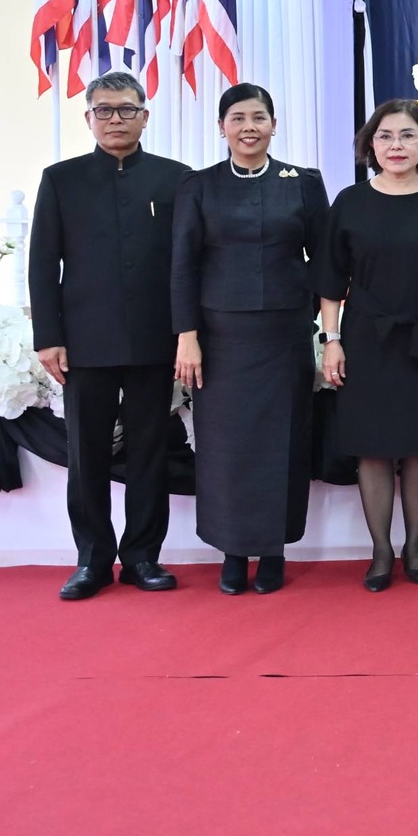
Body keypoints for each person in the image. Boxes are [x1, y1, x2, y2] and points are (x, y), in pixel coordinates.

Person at [29, 72, 189, 600]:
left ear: (145, 115)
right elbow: (41, 266)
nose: (115, 119)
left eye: (125, 109)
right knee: (88, 455)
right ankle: (92, 559)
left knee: (148, 453)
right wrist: (48, 337)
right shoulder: (61, 179)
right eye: (104, 110)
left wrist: (187, 332)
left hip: (153, 340)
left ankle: (143, 556)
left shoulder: (177, 180)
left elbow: (189, 264)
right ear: (89, 118)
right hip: (84, 343)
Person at [172, 83, 329, 595]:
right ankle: (232, 551)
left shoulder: (303, 183)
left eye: (259, 117)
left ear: (274, 125)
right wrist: (187, 337)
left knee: (281, 443)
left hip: (284, 335)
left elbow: (325, 263)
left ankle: (274, 549)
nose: (248, 127)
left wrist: (323, 325)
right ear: (222, 128)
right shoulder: (199, 186)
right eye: (237, 118)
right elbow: (183, 267)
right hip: (219, 338)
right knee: (225, 447)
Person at [318, 99, 418, 592]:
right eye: (385, 136)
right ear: (370, 145)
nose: (396, 145)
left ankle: (416, 547)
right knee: (373, 449)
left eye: (407, 136)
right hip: (366, 340)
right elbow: (329, 280)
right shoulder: (351, 201)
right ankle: (381, 551)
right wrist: (332, 341)